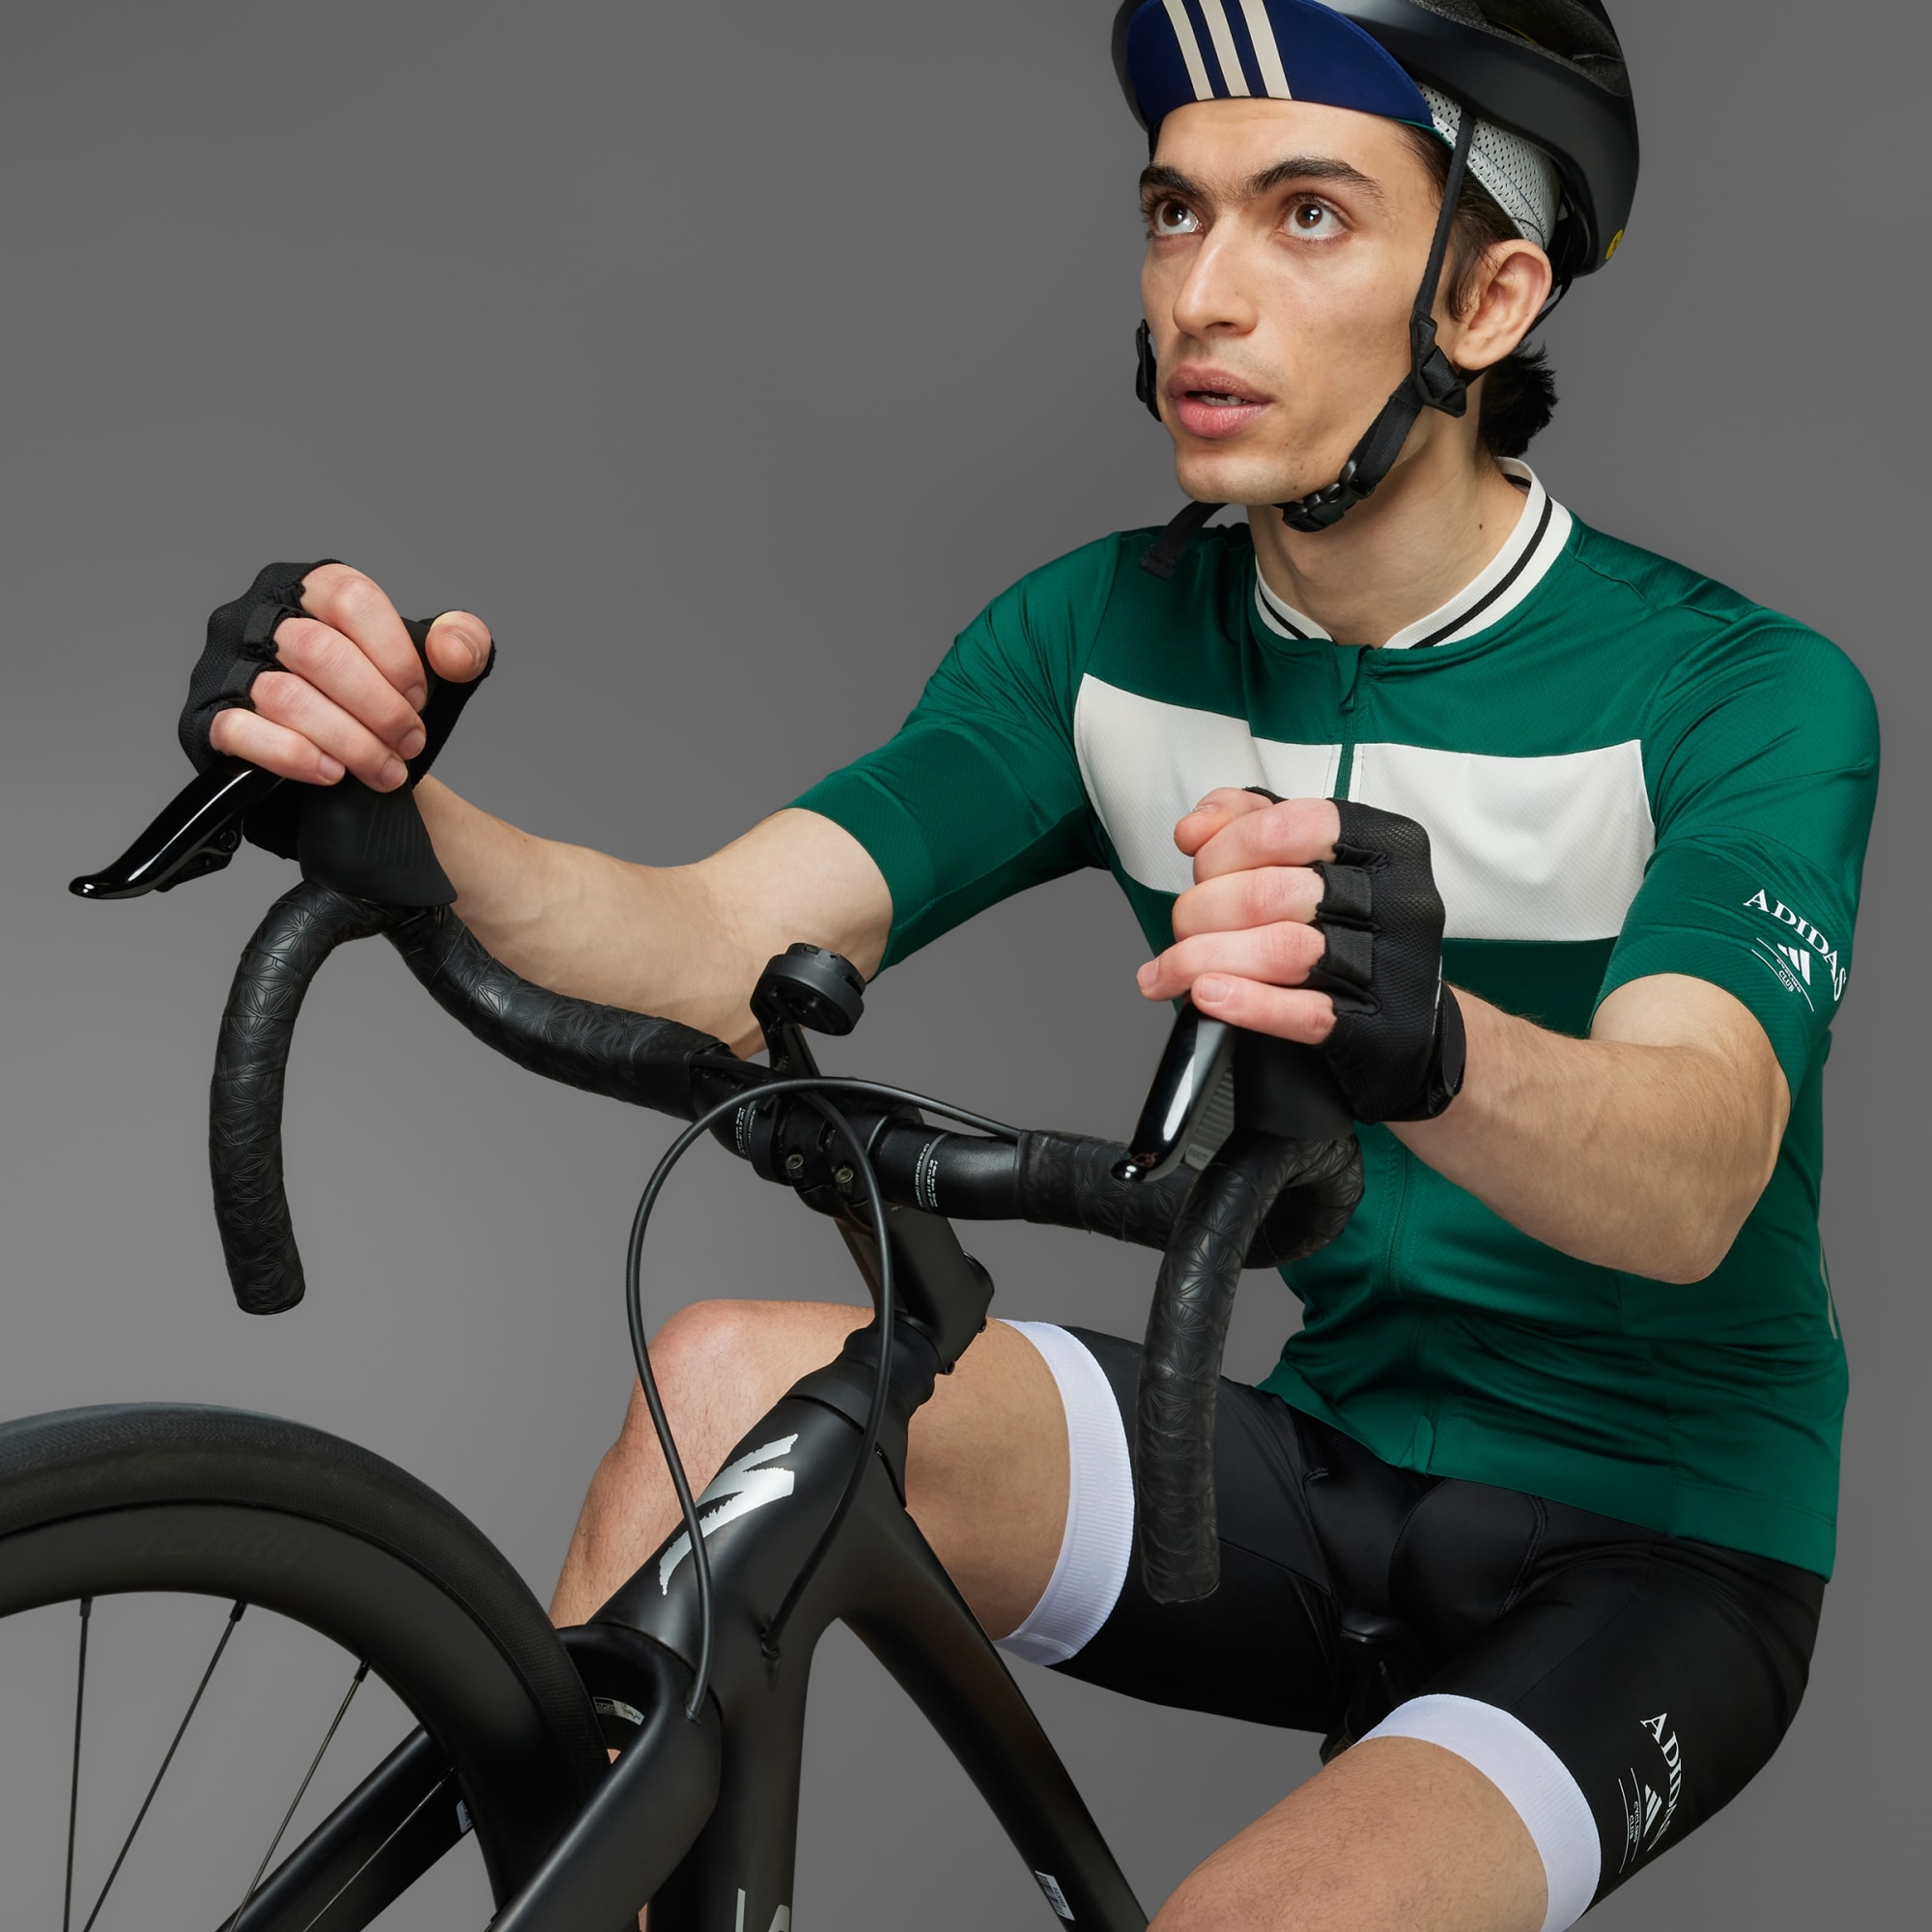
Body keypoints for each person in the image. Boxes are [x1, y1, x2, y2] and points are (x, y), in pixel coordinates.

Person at [174, 4, 1878, 1926]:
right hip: (1310, 1460)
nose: (1202, 295)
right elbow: (722, 940)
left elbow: (1693, 1168)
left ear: (1484, 300)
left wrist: (1436, 1046)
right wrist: (407, 816)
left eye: (1307, 215)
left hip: (1659, 1547)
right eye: (1174, 211)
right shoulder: (1099, 637)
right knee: (725, 1381)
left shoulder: (1741, 693)